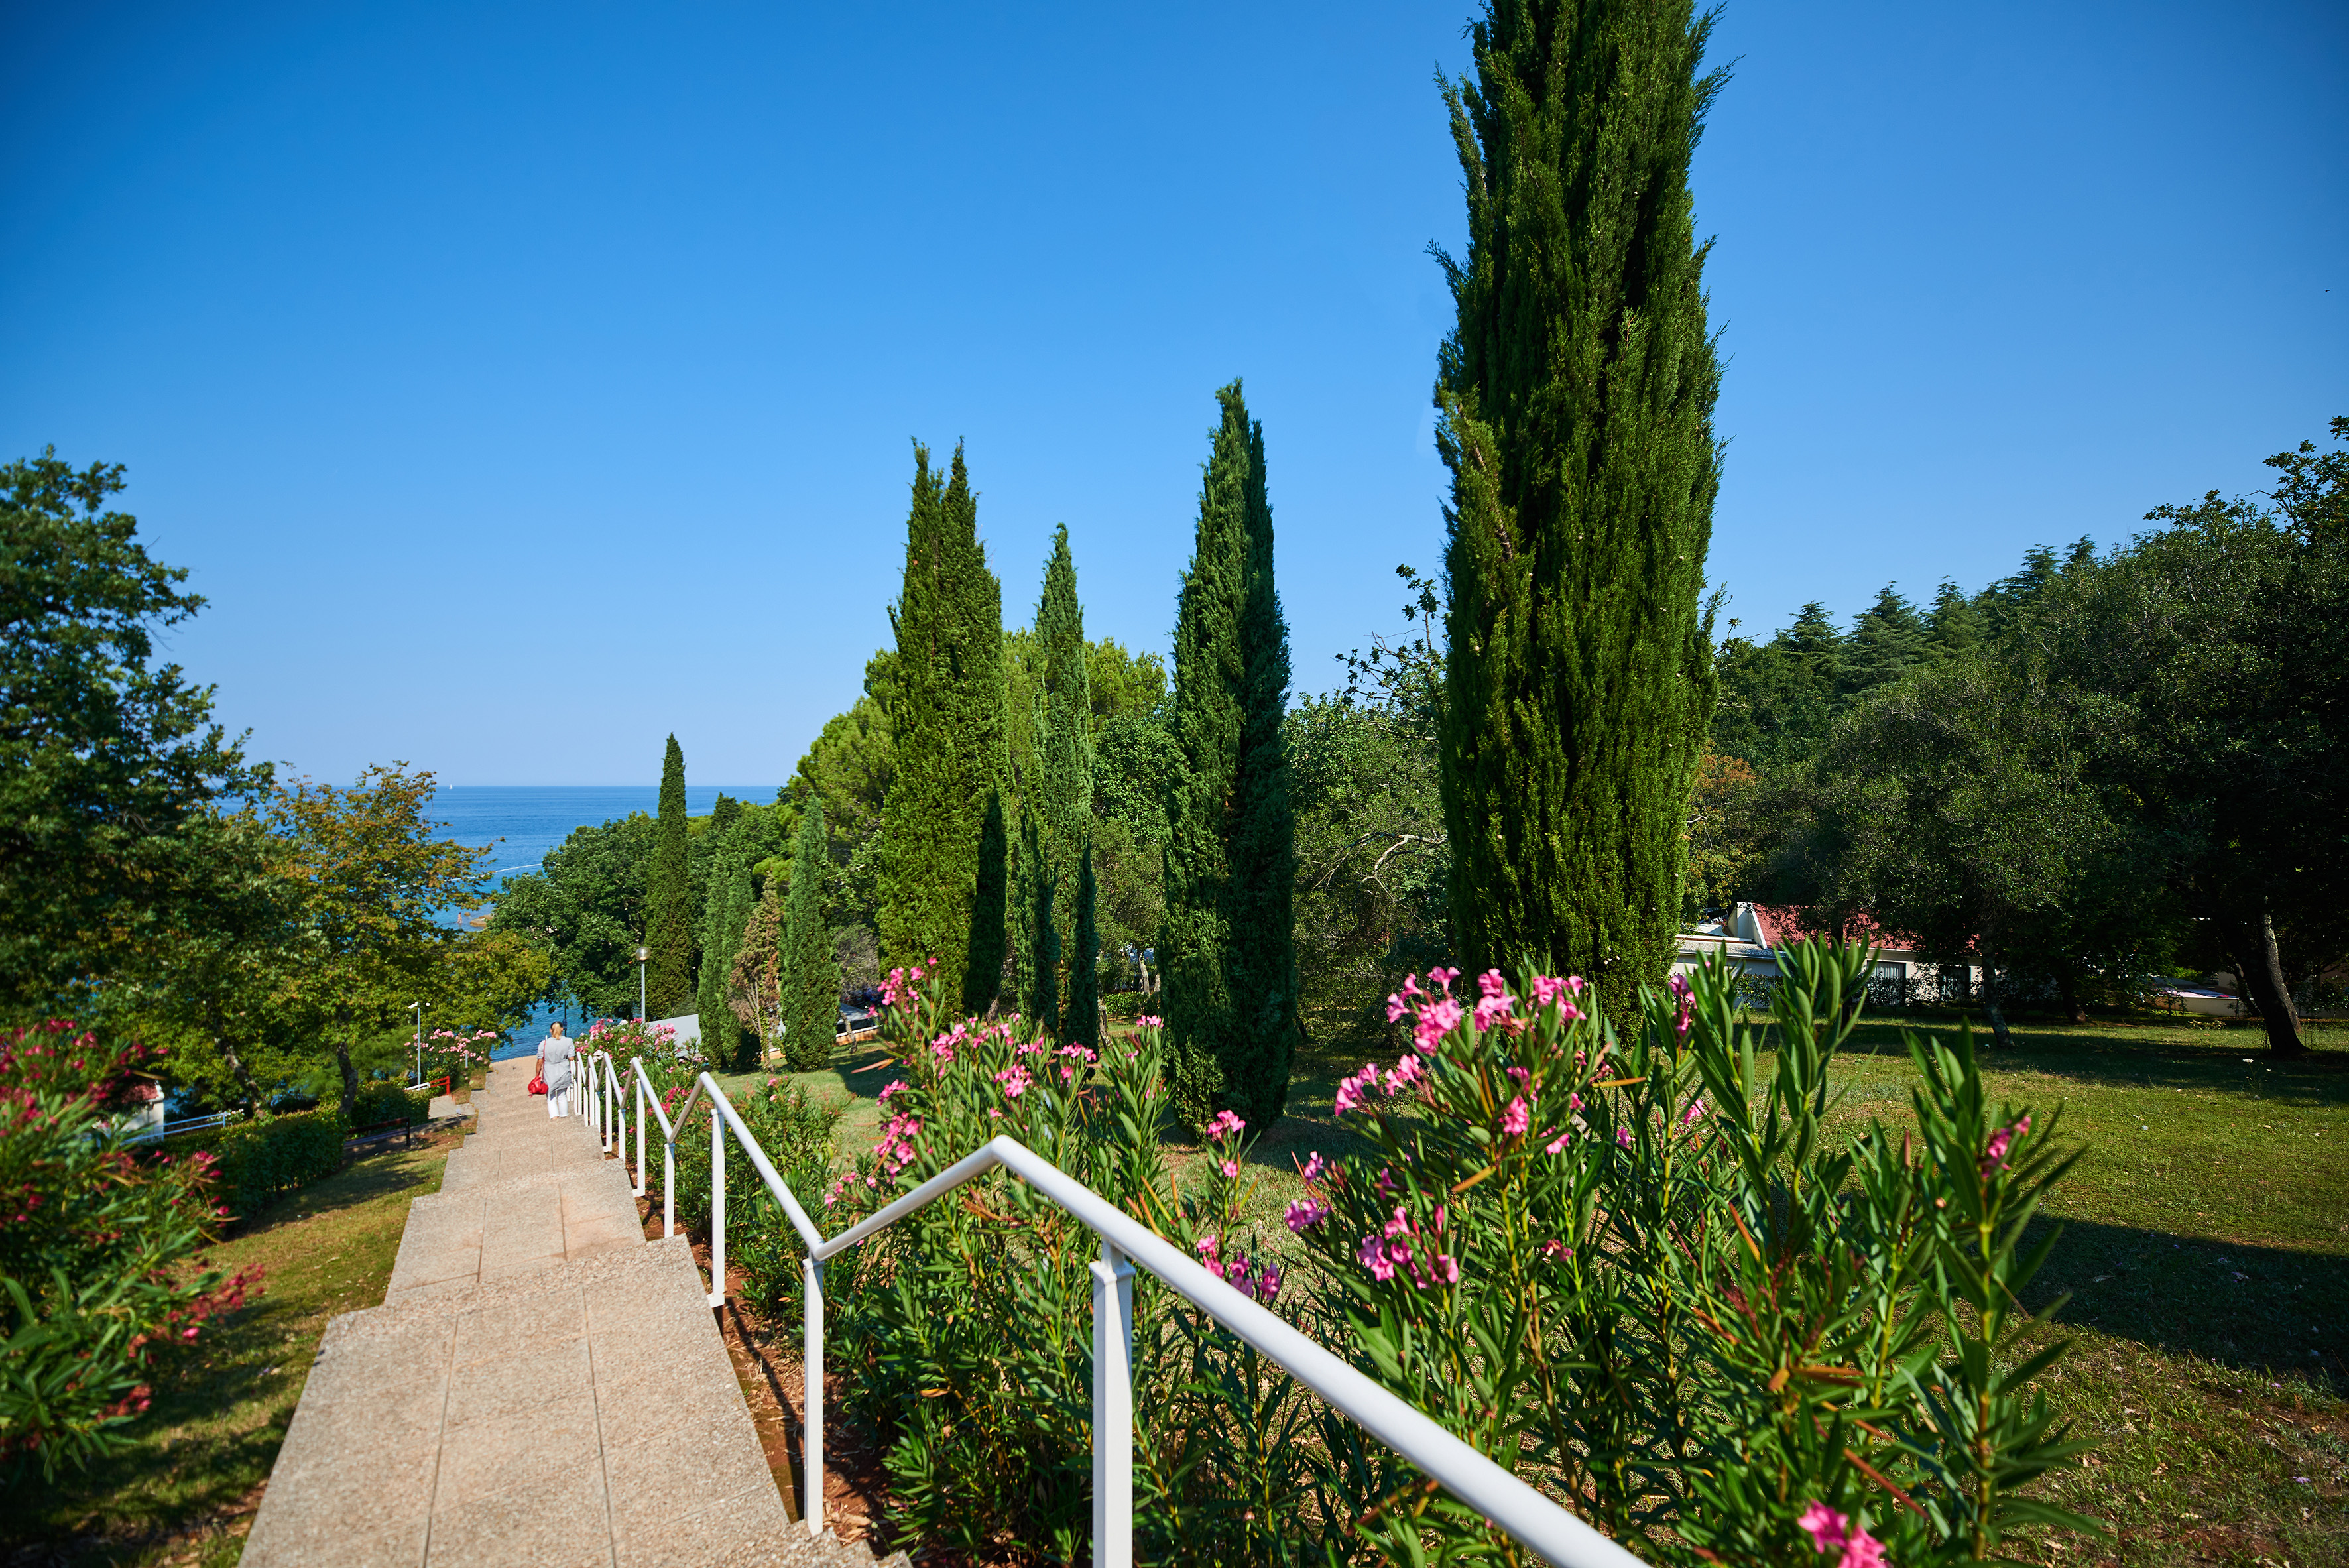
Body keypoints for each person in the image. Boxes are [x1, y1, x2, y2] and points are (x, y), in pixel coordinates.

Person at [538, 1021, 577, 1118]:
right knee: (562, 1095)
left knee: (551, 1096)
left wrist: (537, 1075)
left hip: (549, 1072)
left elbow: (540, 1061)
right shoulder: (568, 1041)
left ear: (550, 1031)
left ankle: (554, 1117)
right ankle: (564, 1115)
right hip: (563, 1070)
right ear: (562, 1029)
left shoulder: (544, 1044)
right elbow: (571, 1058)